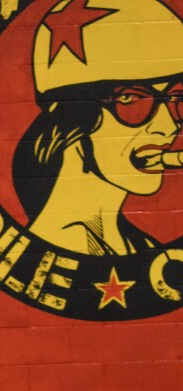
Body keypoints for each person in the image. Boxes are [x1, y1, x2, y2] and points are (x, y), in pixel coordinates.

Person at [15, 0, 183, 255]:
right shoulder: (68, 242)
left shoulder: (137, 244)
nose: (168, 126)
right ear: (72, 118)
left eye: (175, 99)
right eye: (131, 99)